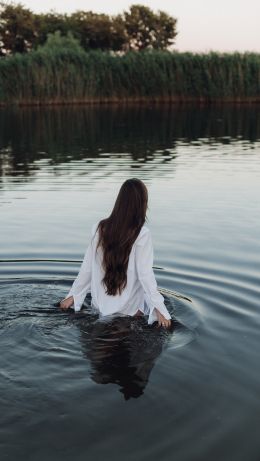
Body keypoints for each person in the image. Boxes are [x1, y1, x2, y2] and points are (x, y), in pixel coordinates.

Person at [59, 178, 172, 328]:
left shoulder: (99, 228)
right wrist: (160, 308)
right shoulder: (142, 234)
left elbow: (87, 267)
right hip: (129, 310)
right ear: (141, 204)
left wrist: (73, 295)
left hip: (100, 307)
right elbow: (145, 275)